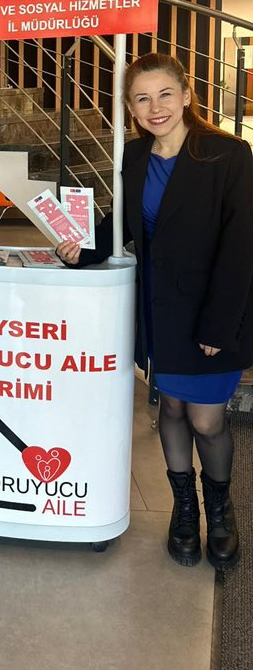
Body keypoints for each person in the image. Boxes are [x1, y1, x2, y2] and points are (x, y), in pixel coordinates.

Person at [58, 52, 253, 570]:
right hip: (159, 309)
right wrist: (84, 250)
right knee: (171, 410)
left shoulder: (228, 154)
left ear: (187, 95)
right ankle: (184, 512)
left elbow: (241, 246)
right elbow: (123, 222)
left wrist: (219, 324)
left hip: (213, 312)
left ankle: (221, 512)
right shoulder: (135, 155)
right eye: (142, 99)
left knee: (207, 420)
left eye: (165, 94)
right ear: (130, 108)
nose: (155, 107)